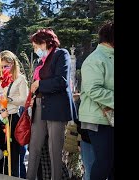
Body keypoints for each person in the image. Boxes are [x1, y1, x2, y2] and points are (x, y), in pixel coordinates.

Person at [26, 28, 78, 180]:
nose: (35, 49)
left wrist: (38, 85)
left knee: (54, 149)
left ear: (44, 43)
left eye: (35, 45)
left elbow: (61, 81)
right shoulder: (41, 61)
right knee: (34, 147)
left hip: (56, 107)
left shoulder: (61, 54)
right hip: (39, 105)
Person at [78, 21, 114, 180]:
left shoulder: (108, 57)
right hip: (98, 119)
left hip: (108, 118)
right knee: (105, 162)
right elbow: (94, 90)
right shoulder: (96, 58)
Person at [0, 50, 29, 177]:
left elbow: (25, 100)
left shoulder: (20, 79)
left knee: (13, 153)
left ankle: (12, 175)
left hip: (12, 118)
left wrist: (9, 99)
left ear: (13, 64)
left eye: (6, 66)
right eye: (1, 66)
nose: (3, 69)